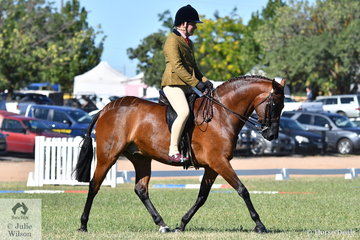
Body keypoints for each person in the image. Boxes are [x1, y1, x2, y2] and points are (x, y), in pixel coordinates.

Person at [161, 4, 212, 163]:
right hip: (172, 84)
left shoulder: (189, 43)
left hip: (186, 85)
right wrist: (197, 84)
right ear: (184, 24)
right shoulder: (172, 40)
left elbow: (194, 67)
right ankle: (173, 150)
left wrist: (205, 81)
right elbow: (178, 66)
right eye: (193, 24)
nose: (195, 27)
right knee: (184, 112)